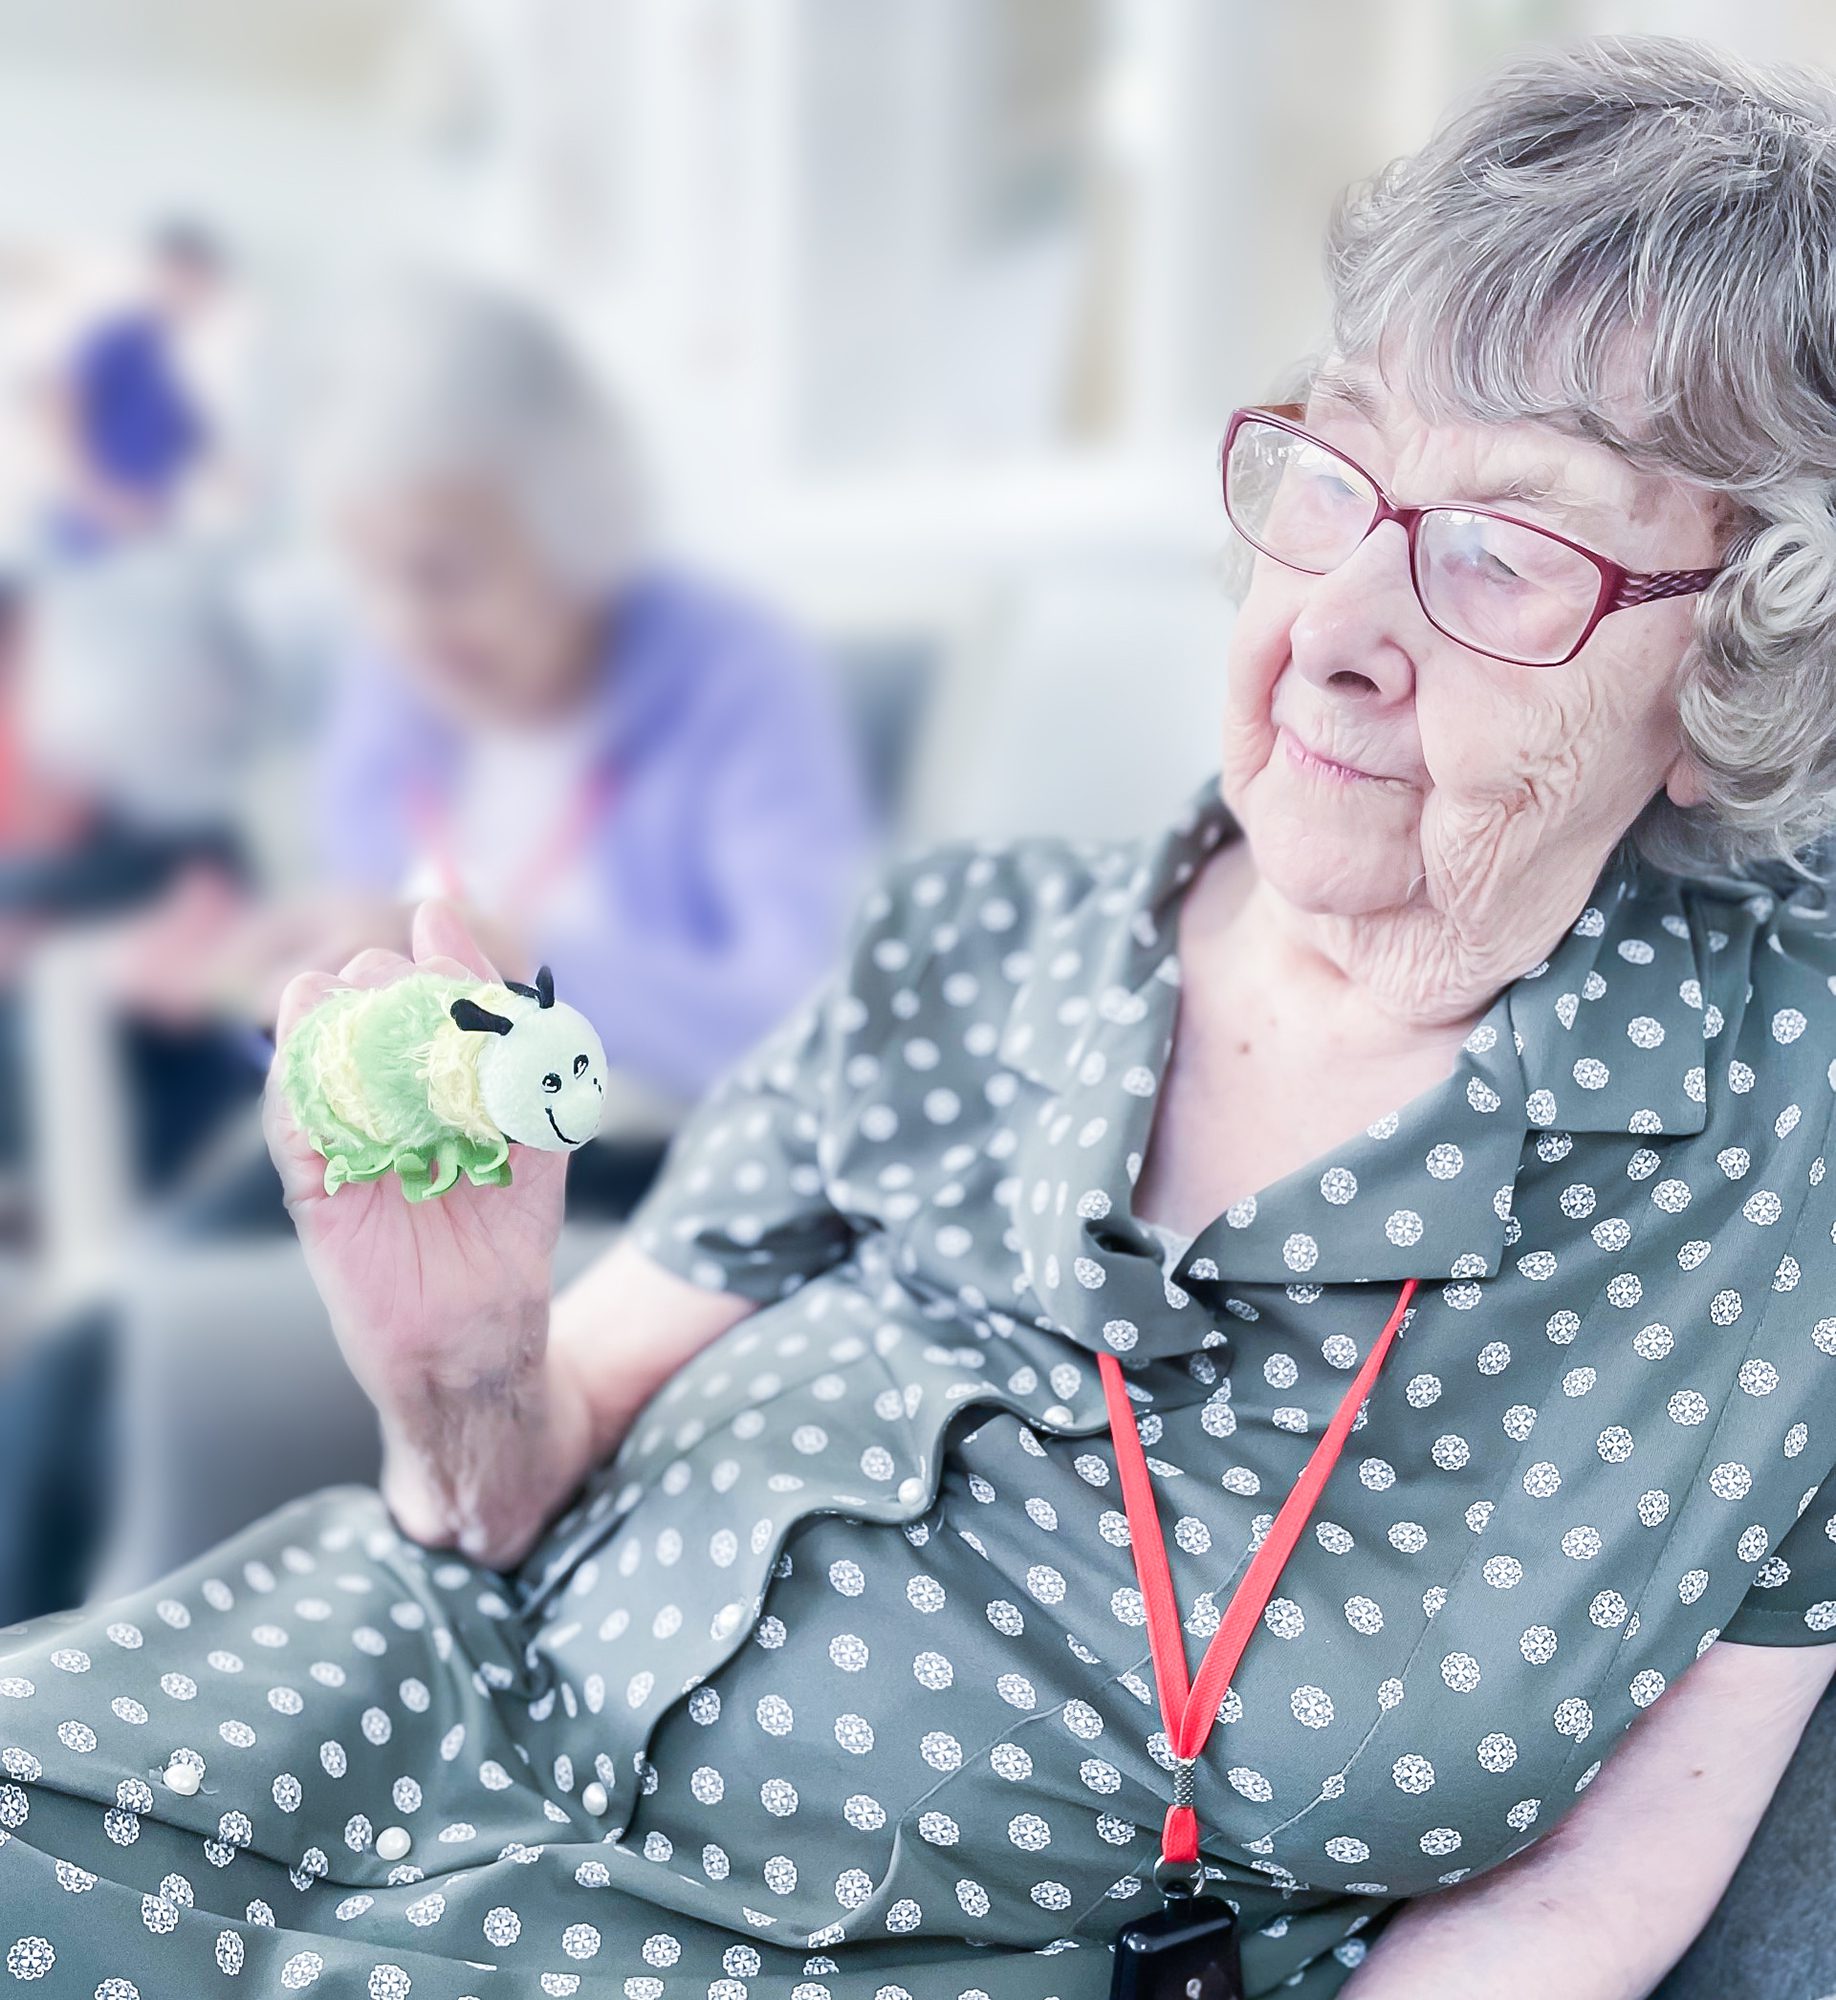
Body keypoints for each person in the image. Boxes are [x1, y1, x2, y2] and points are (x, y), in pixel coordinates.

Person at [9, 31, 1836, 1997]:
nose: (1332, 633)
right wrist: (460, 1366)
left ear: (1747, 661)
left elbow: (1590, 1891)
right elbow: (504, 1487)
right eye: (1335, 469)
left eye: (1497, 549)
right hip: (398, 1703)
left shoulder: (1778, 1172)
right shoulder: (966, 948)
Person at [140, 272, 875, 1223]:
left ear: (576, 520)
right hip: (430, 1171)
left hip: (675, 1190)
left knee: (174, 1333)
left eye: (444, 573)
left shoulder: (736, 672)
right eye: (368, 578)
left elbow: (810, 1030)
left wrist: (509, 959)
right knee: (125, 1325)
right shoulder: (392, 698)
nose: (404, 626)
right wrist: (273, 990)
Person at [36, 220, 225, 560]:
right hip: (92, 532)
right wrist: (94, 497)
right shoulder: (120, 333)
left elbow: (194, 440)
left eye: (203, 285)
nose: (195, 294)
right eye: (187, 279)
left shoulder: (171, 358)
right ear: (162, 274)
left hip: (144, 533)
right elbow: (58, 405)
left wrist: (228, 473)